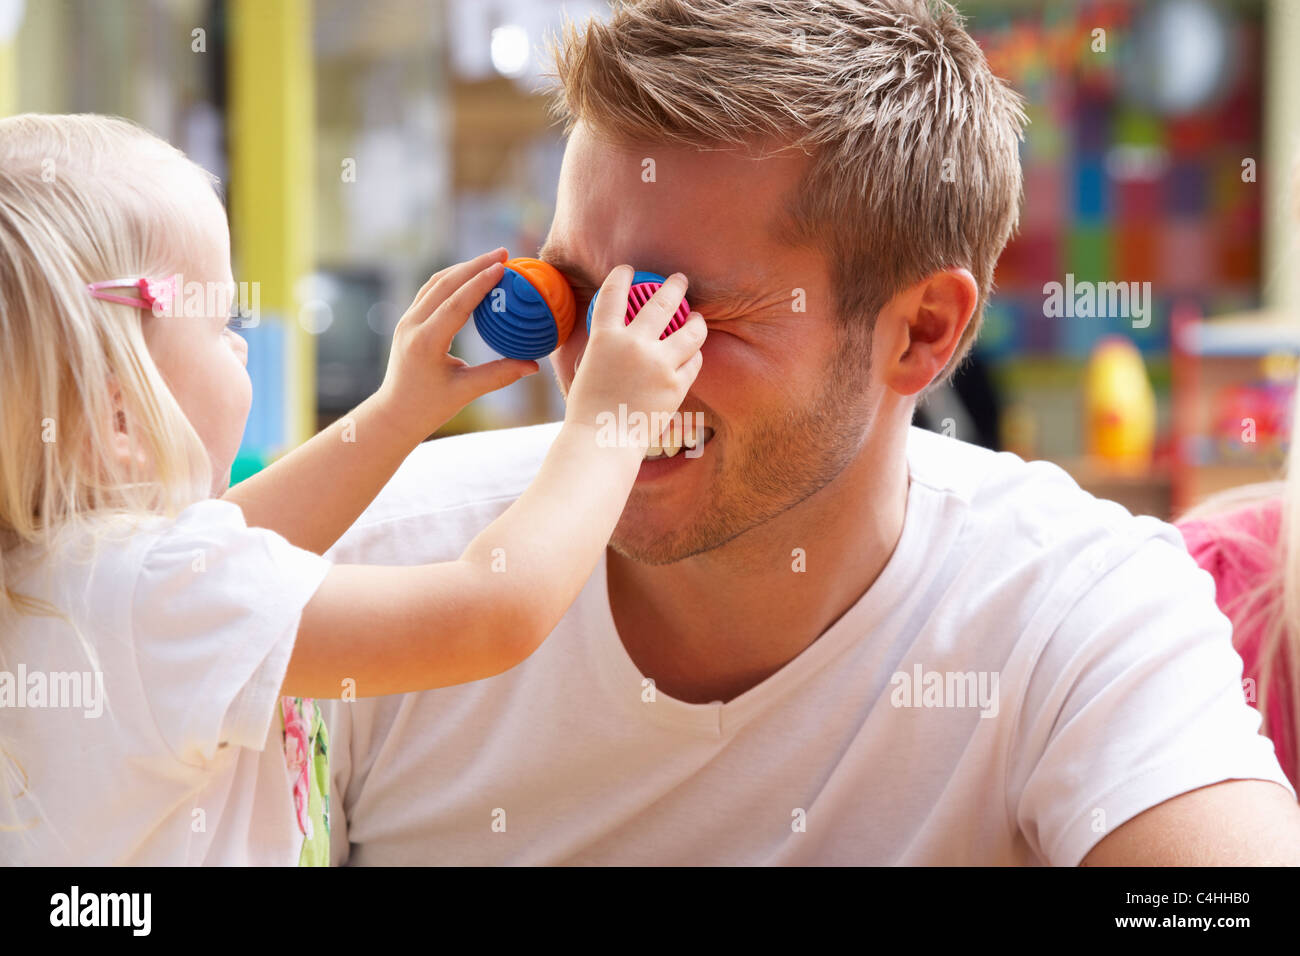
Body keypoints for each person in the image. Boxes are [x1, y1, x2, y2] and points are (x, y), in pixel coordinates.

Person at [321, 0, 1300, 866]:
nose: (602, 373)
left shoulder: (1071, 605)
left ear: (920, 331)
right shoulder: (377, 566)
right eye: (568, 290)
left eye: (676, 312)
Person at [0, 113, 706, 865]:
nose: (242, 344)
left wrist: (398, 412)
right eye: (220, 325)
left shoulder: (72, 580)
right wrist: (607, 426)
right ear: (118, 415)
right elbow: (490, 614)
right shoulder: (155, 602)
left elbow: (247, 534)